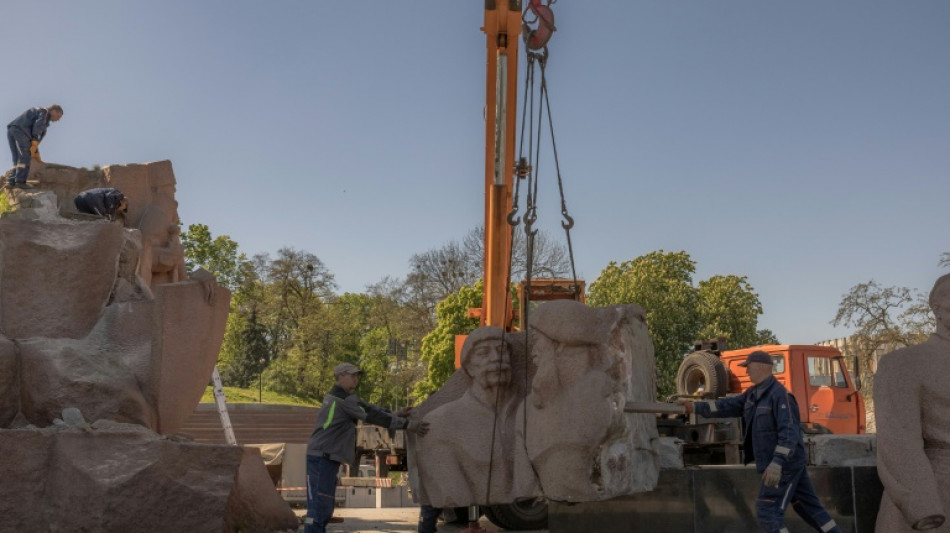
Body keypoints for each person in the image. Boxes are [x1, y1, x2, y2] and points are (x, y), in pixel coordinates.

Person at [679, 350, 842, 533]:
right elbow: (725, 406)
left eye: (748, 367)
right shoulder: (752, 394)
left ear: (762, 367)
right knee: (808, 508)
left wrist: (777, 463)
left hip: (783, 465)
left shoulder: (781, 395)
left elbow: (789, 432)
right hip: (782, 464)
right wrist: (693, 407)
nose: (746, 371)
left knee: (767, 511)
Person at [305, 362, 428, 533]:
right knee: (319, 507)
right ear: (340, 376)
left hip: (324, 457)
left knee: (323, 505)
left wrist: (395, 413)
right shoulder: (342, 400)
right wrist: (407, 424)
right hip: (322, 457)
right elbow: (371, 415)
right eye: (352, 375)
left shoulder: (341, 397)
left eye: (357, 375)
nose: (356, 379)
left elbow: (369, 408)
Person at [874, 273, 950, 532]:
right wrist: (924, 507)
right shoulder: (903, 364)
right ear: (936, 308)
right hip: (937, 495)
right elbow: (898, 440)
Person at [6, 105, 63, 189]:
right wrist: (36, 139)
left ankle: (12, 181)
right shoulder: (45, 112)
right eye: (58, 116)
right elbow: (38, 125)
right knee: (25, 155)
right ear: (53, 111)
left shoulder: (39, 113)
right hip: (21, 131)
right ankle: (20, 181)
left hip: (13, 129)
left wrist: (36, 153)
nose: (58, 119)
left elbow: (33, 141)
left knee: (17, 158)